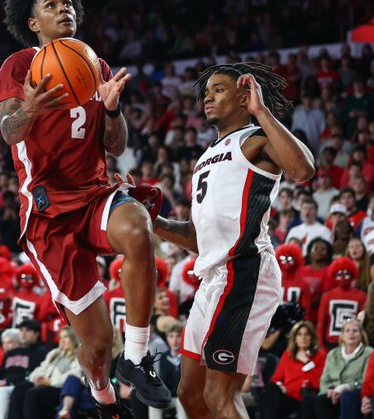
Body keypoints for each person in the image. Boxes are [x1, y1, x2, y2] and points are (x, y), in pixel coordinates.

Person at [0, 0, 169, 415]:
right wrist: (31, 108)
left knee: (138, 228)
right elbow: (8, 131)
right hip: (47, 211)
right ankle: (104, 399)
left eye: (70, 3)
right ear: (33, 21)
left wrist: (112, 109)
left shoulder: (97, 65)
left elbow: (116, 145)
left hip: (93, 192)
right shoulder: (19, 65)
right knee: (95, 345)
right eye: (52, 5)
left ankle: (138, 357)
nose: (65, 9)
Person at [138, 62, 314, 418]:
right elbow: (197, 237)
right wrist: (148, 218)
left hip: (244, 272)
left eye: (219, 89)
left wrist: (262, 112)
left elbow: (302, 170)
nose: (208, 96)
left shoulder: (256, 139)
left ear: (244, 95)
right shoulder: (204, 159)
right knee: (189, 395)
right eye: (206, 91)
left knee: (220, 395)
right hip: (212, 279)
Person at [8, 326, 82, 419]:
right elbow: (41, 368)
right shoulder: (54, 353)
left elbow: (74, 375)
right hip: (44, 384)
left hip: (59, 388)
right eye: (61, 337)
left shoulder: (79, 355)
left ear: (74, 338)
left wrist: (50, 381)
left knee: (32, 394)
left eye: (66, 337)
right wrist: (36, 378)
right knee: (20, 388)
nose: (62, 340)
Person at [260, 321, 327, 419]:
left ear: (312, 337)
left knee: (307, 399)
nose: (303, 338)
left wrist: (307, 362)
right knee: (271, 389)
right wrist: (281, 385)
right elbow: (276, 378)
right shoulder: (288, 354)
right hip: (288, 395)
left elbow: (319, 382)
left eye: (306, 334)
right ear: (295, 338)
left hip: (306, 397)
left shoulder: (320, 355)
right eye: (299, 334)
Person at [314, 319, 372, 419]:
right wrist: (329, 391)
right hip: (333, 394)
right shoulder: (333, 354)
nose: (351, 334)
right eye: (347, 331)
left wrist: (346, 387)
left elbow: (366, 380)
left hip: (355, 393)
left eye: (355, 331)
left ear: (361, 335)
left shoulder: (369, 353)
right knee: (320, 399)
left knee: (347, 396)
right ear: (342, 335)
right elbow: (324, 380)